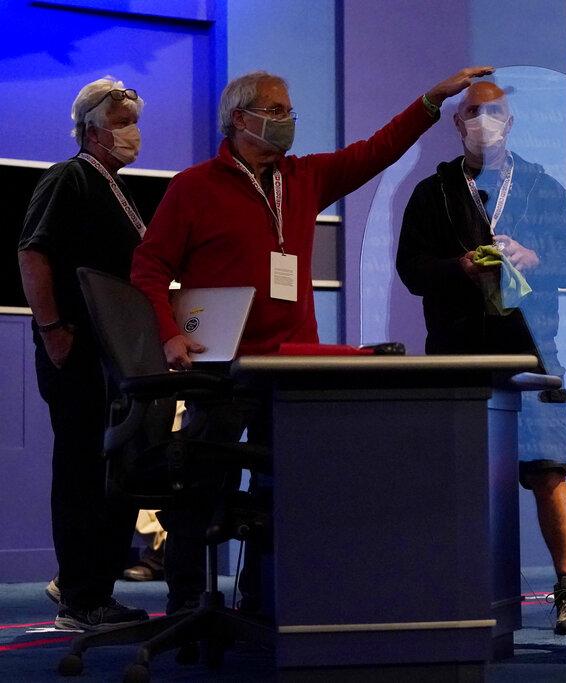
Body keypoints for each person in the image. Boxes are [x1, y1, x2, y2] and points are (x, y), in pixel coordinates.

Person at [131, 66, 492, 614]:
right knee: (206, 488)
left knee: (283, 492)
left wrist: (430, 100)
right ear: (239, 119)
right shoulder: (194, 187)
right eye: (275, 111)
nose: (287, 120)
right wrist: (170, 334)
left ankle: (260, 604)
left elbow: (376, 151)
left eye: (288, 110)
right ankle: (186, 605)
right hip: (220, 368)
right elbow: (149, 269)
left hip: (293, 365)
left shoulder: (303, 178)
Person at [396, 81, 566, 634]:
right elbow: (411, 271)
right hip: (458, 353)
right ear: (457, 126)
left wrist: (535, 257)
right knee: (457, 477)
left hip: (531, 347)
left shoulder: (540, 187)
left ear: (511, 122)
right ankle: (455, 589)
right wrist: (457, 267)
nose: (483, 121)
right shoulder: (432, 193)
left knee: (549, 469)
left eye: (494, 112)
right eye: (471, 114)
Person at [18, 76, 149, 630]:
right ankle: (81, 598)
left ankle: (90, 584)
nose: (132, 133)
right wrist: (52, 327)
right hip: (76, 347)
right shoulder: (68, 178)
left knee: (111, 469)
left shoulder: (115, 187)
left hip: (115, 352)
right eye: (121, 123)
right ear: (91, 130)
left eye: (133, 120)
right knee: (81, 467)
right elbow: (34, 253)